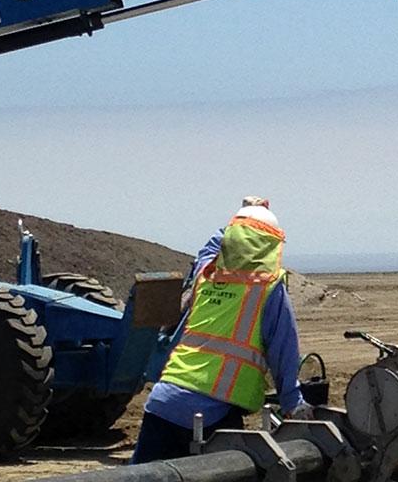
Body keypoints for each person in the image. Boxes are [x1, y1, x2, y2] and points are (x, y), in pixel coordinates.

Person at [131, 197, 313, 464]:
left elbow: (212, 244)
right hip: (214, 415)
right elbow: (284, 353)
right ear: (273, 245)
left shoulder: (207, 275)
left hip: (163, 402)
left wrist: (243, 215)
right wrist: (293, 404)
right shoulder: (270, 290)